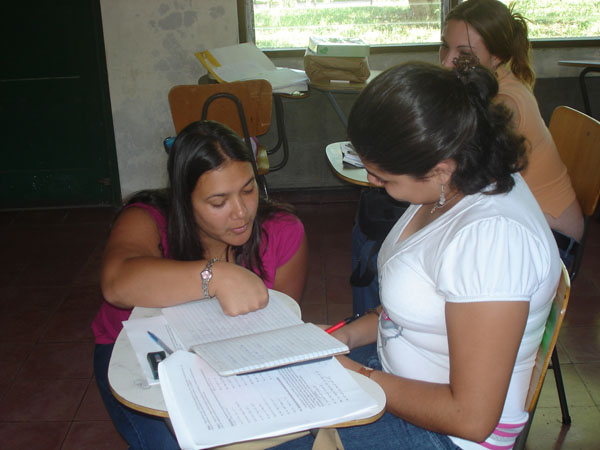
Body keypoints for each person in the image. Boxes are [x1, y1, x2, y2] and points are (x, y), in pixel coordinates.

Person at [274, 61, 561, 450]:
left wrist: (357, 375)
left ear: (440, 169)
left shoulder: (492, 239)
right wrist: (341, 338)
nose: (372, 182)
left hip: (447, 436)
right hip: (393, 379)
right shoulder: (452, 184)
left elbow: (472, 418)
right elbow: (407, 314)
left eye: (384, 178)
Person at [92, 120, 308, 449]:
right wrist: (216, 275)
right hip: (136, 357)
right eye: (218, 202)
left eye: (248, 190)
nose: (241, 213)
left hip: (230, 358)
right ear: (184, 200)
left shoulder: (281, 230)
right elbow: (117, 283)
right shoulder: (147, 218)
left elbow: (280, 326)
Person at [439, 0, 584, 267]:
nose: (447, 62)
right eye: (444, 47)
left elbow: (467, 174)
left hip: (552, 236)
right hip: (519, 216)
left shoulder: (507, 102)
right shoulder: (481, 85)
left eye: (464, 54)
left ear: (497, 57)